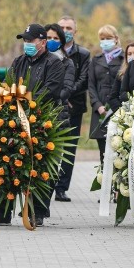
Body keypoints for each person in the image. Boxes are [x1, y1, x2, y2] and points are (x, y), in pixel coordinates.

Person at [0, 24, 65, 227]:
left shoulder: (54, 63)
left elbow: (50, 91)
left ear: (43, 42)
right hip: (15, 120)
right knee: (8, 164)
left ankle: (37, 212)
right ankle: (3, 211)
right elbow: (8, 84)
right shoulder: (19, 61)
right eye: (25, 40)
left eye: (30, 40)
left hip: (42, 122)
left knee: (39, 168)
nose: (26, 44)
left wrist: (23, 100)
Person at [54, 16, 91, 203]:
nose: (65, 30)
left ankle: (61, 188)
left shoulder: (83, 54)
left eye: (69, 27)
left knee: (69, 148)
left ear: (75, 31)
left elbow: (84, 79)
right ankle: (48, 183)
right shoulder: (50, 51)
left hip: (74, 106)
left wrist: (66, 95)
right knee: (52, 146)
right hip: (52, 105)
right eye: (62, 27)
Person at [87, 25, 124, 165]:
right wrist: (98, 105)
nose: (105, 41)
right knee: (103, 154)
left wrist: (117, 106)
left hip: (118, 109)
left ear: (116, 39)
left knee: (119, 151)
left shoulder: (124, 58)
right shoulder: (96, 60)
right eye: (102, 39)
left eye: (108, 38)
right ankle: (105, 184)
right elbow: (91, 85)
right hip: (100, 111)